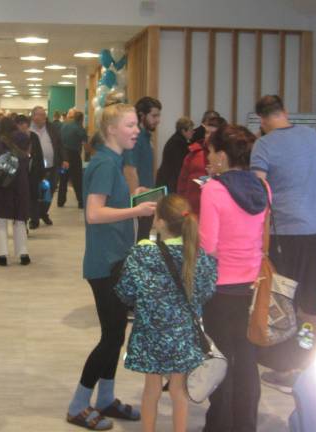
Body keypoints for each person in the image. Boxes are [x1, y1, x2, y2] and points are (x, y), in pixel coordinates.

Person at [66, 103, 157, 431]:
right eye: (130, 125)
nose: (136, 130)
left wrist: (134, 199)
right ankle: (79, 404)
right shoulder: (105, 163)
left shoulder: (112, 162)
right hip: (104, 265)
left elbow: (108, 206)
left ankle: (105, 399)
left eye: (136, 125)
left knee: (116, 335)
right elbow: (94, 213)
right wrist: (136, 212)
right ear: (111, 130)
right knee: (111, 337)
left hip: (115, 259)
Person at [250, 95, 316, 393]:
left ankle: (287, 366)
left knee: (284, 297)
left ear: (262, 121)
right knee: (311, 300)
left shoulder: (264, 144)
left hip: (286, 231)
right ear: (285, 112)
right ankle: (306, 363)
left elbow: (257, 189)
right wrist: (311, 192)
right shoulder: (313, 137)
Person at [115, 194, 216, 432]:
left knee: (151, 390)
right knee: (179, 391)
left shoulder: (142, 253)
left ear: (160, 222)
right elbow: (207, 291)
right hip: (183, 336)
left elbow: (125, 291)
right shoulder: (197, 255)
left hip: (150, 334)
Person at [199, 125, 269, 432]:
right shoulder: (264, 188)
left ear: (223, 156)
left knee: (221, 358)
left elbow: (208, 245)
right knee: (246, 356)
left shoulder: (213, 189)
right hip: (253, 285)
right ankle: (245, 425)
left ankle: (218, 425)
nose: (209, 157)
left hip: (220, 287)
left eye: (211, 152)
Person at [0, 118, 31, 266]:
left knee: (1, 220)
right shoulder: (25, 140)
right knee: (20, 220)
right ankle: (23, 254)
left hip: (2, 187)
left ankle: (2, 255)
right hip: (20, 185)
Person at [124, 96, 162, 240]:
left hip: (147, 198)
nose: (158, 120)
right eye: (154, 115)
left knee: (143, 239)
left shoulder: (146, 137)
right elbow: (129, 170)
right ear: (141, 115)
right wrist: (137, 205)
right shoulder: (135, 138)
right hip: (140, 202)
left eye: (158, 115)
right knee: (138, 242)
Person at [177, 116, 227, 216]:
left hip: (217, 213)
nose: (209, 136)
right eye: (207, 132)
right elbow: (181, 185)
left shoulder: (228, 158)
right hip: (192, 213)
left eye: (213, 134)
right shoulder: (193, 154)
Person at [30, 106, 66, 228]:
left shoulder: (52, 128)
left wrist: (64, 159)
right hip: (34, 168)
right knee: (35, 193)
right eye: (39, 114)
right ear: (33, 116)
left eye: (43, 114)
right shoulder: (28, 130)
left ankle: (43, 213)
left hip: (52, 166)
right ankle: (34, 218)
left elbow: (60, 144)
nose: (42, 117)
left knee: (49, 191)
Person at [15, 115, 45, 230]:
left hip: (33, 172)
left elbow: (39, 155)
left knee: (33, 196)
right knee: (21, 197)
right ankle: (23, 221)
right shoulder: (14, 138)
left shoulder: (34, 137)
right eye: (20, 124)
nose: (23, 126)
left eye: (25, 124)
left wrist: (42, 172)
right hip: (19, 173)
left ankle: (34, 219)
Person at [156, 116, 195, 194]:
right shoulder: (178, 143)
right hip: (170, 181)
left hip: (167, 178)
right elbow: (179, 167)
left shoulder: (177, 140)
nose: (193, 132)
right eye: (191, 130)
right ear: (183, 131)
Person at [58, 110, 88, 208]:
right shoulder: (80, 128)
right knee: (77, 180)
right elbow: (86, 145)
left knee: (63, 178)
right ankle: (81, 202)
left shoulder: (64, 125)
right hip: (74, 156)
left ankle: (60, 201)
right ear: (82, 119)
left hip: (63, 156)